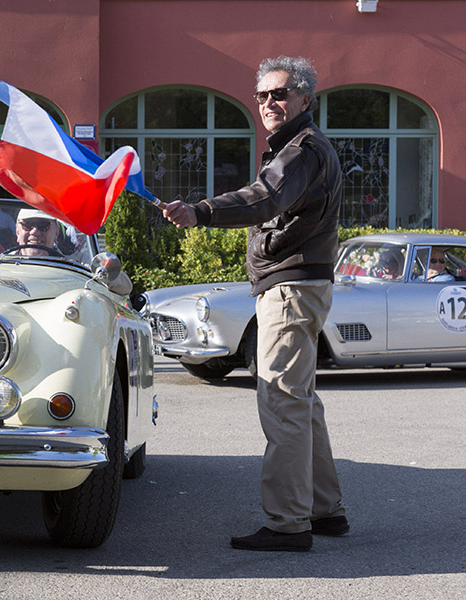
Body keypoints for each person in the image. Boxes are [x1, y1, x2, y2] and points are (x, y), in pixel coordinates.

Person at [162, 56, 346, 552]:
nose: (268, 102)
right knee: (300, 402)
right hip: (298, 285)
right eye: (262, 95)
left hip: (290, 288)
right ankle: (324, 510)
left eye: (279, 93)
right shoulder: (304, 146)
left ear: (305, 97)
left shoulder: (301, 149)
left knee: (282, 401)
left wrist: (201, 211)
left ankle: (289, 524)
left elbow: (264, 197)